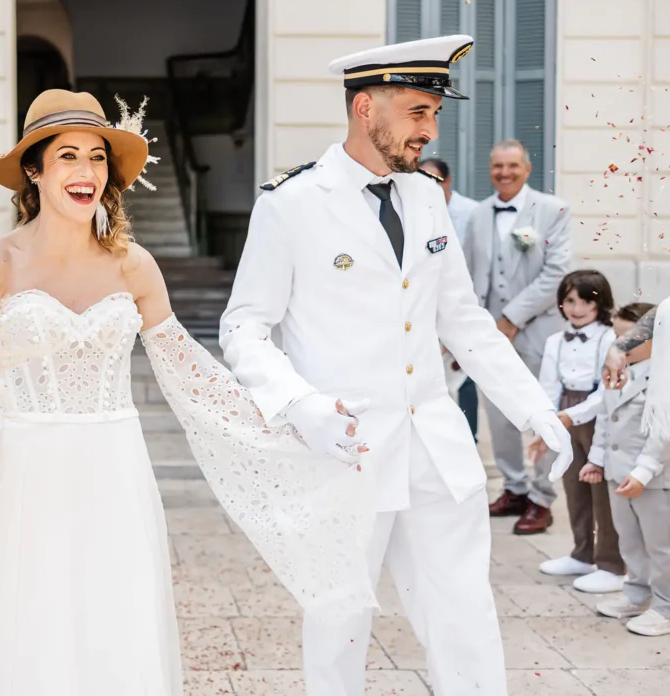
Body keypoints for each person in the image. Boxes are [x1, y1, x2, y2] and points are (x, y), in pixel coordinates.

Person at [0, 90, 377, 696]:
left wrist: (296, 418)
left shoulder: (133, 265)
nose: (86, 172)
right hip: (20, 473)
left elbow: (193, 378)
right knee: (21, 622)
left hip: (112, 472)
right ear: (34, 171)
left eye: (97, 157)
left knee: (112, 622)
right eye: (68, 156)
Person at [219, 35, 572, 696]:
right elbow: (243, 327)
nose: (430, 129)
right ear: (364, 108)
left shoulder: (425, 198)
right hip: (345, 449)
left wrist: (532, 407)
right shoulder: (291, 204)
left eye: (434, 113)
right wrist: (301, 403)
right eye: (417, 111)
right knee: (339, 622)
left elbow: (463, 321)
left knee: (465, 612)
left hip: (436, 447)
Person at [463, 139, 573, 535]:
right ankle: (514, 488)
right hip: (490, 334)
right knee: (500, 415)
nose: (504, 173)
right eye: (497, 166)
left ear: (527, 168)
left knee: (542, 412)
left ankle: (542, 498)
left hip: (539, 331)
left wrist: (510, 318)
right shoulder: (478, 214)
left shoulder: (553, 209)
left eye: (512, 166)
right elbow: (472, 275)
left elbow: (556, 274)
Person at [526, 271, 624, 593]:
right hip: (566, 414)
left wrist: (571, 416)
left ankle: (611, 563)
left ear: (601, 303)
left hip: (598, 414)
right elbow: (549, 386)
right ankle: (582, 553)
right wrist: (546, 424)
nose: (577, 308)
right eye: (570, 300)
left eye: (585, 301)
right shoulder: (556, 340)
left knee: (601, 492)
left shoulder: (609, 339)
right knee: (573, 487)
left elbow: (606, 393)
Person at [579, 301, 670, 636]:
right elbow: (607, 416)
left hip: (656, 475)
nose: (624, 344)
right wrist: (597, 459)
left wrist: (644, 472)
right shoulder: (623, 370)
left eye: (630, 339)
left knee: (661, 545)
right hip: (620, 472)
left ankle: (665, 606)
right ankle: (636, 592)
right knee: (630, 540)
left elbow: (665, 430)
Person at [420, 157, 480, 440]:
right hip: (422, 310)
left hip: (460, 305)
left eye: (433, 180)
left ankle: (469, 438)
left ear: (447, 181)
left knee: (465, 378)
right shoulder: (411, 210)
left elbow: (479, 268)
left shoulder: (472, 214)